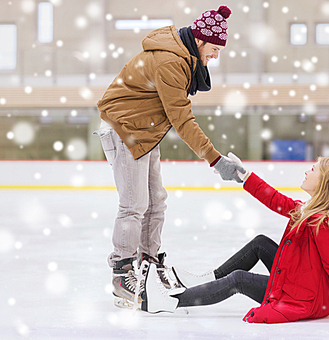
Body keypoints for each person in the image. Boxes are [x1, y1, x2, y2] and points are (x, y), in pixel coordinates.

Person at [93, 5, 245, 308]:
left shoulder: (182, 57)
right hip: (124, 128)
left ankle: (148, 264)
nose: (215, 56)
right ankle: (123, 275)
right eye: (214, 49)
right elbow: (183, 120)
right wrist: (216, 161)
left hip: (144, 130)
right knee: (134, 203)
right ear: (200, 41)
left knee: (156, 201)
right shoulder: (170, 62)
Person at [139, 155, 329, 326]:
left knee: (239, 280)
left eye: (313, 169)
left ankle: (171, 301)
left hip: (305, 298)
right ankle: (207, 279)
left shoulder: (323, 226)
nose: (307, 171)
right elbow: (276, 200)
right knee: (261, 243)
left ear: (324, 183)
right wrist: (245, 176)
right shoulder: (309, 212)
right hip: (306, 285)